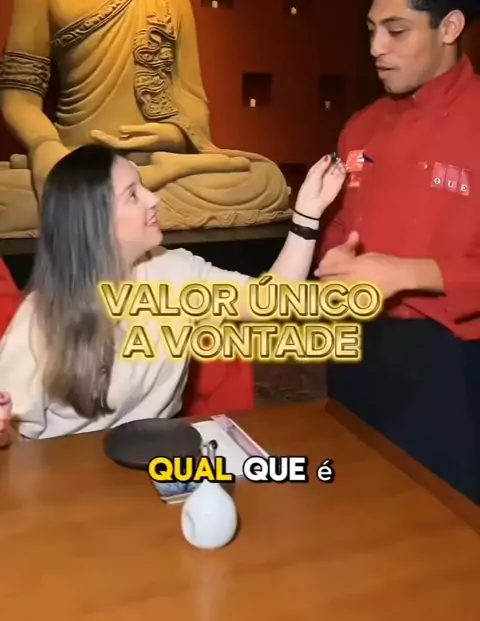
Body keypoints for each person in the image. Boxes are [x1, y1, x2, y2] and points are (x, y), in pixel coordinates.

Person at [0, 144, 346, 441]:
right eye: (132, 194)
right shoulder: (40, 319)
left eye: (143, 186)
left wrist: (307, 215)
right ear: (95, 222)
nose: (154, 198)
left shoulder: (174, 271)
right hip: (68, 476)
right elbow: (14, 438)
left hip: (156, 459)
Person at [316, 0, 480, 502]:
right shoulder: (360, 127)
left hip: (450, 362)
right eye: (371, 30)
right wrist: (332, 261)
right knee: (353, 501)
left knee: (443, 520)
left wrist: (405, 273)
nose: (375, 48)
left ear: (449, 28)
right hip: (356, 345)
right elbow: (341, 223)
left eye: (396, 31)